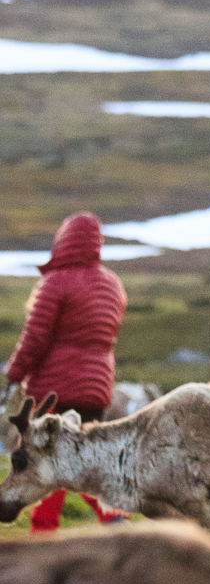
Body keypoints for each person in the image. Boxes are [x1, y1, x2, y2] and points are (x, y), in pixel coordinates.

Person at [3, 212, 128, 531]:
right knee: (82, 459)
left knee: (43, 459)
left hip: (53, 388)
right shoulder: (112, 283)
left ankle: (43, 531)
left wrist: (13, 373)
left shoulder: (56, 281)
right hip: (97, 388)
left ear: (64, 240)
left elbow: (36, 336)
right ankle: (113, 516)